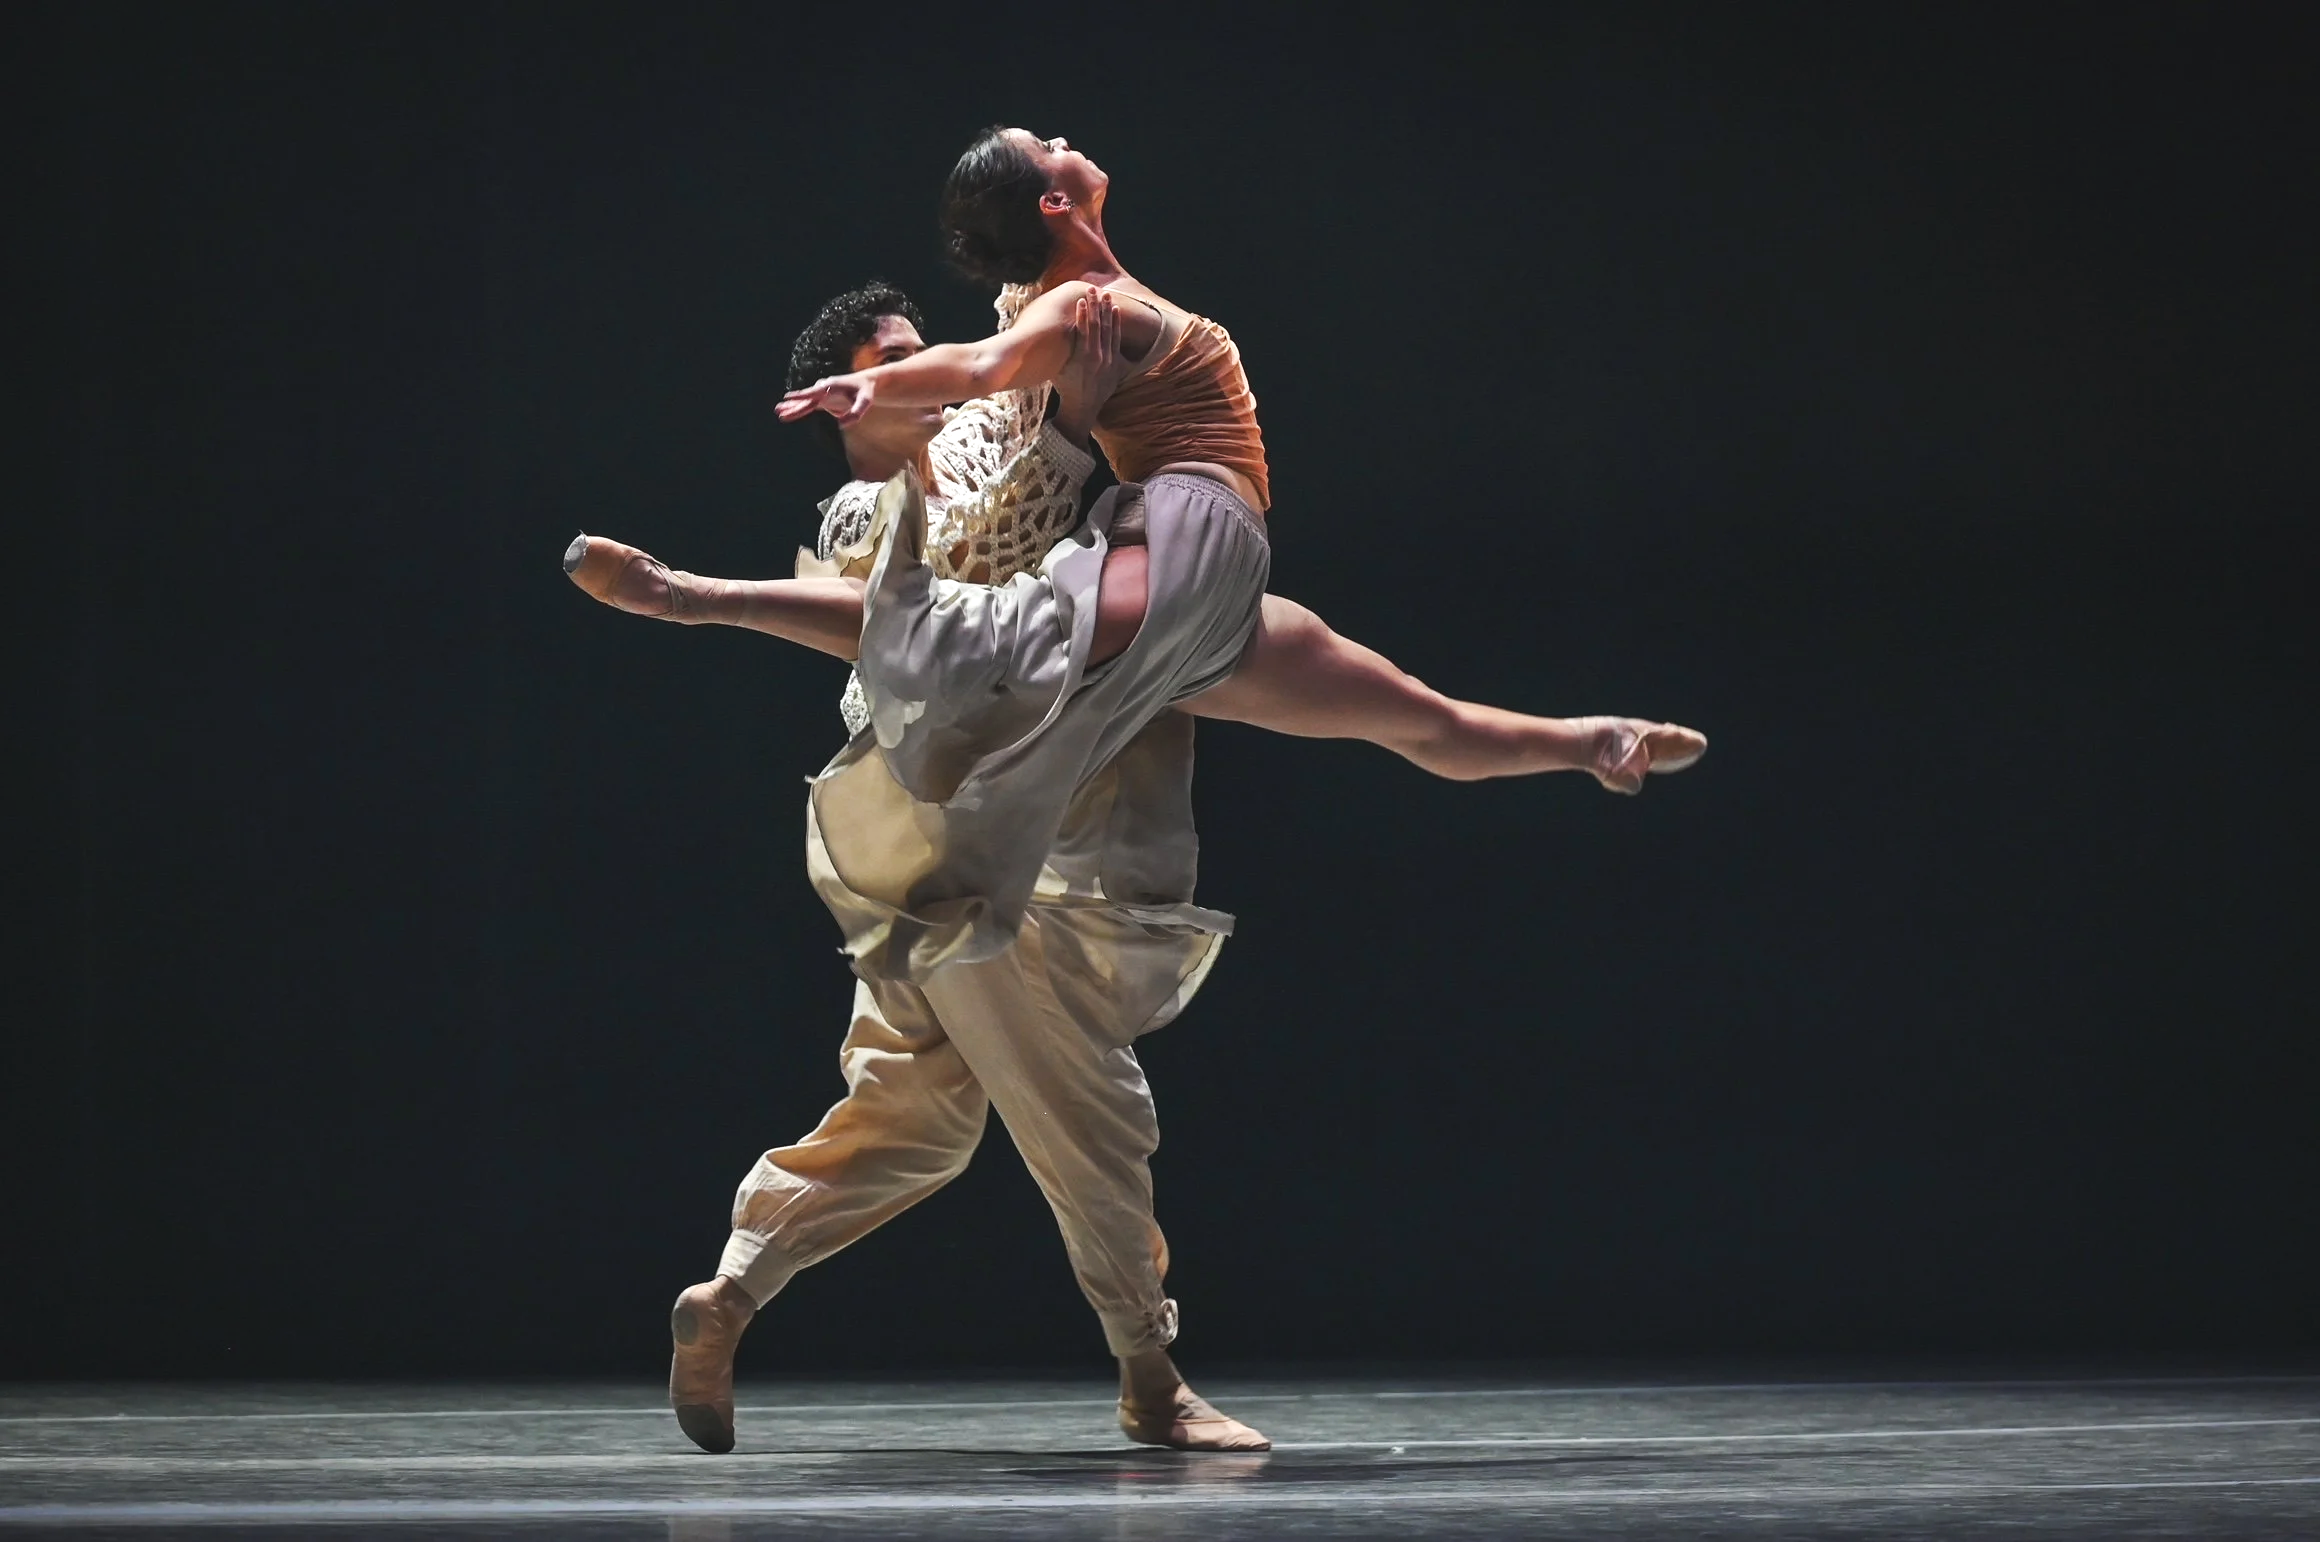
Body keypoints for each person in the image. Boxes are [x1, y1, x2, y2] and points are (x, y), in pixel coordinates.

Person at [656, 282, 1271, 1455]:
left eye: (912, 353)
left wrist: (1052, 330)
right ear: (846, 407)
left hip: (929, 830)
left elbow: (1033, 371)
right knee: (1084, 1106)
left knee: (916, 1110)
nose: (915, 375)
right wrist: (696, 599)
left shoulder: (978, 420)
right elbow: (966, 548)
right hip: (974, 831)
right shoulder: (859, 516)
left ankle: (732, 1287)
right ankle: (1149, 1374)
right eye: (887, 366)